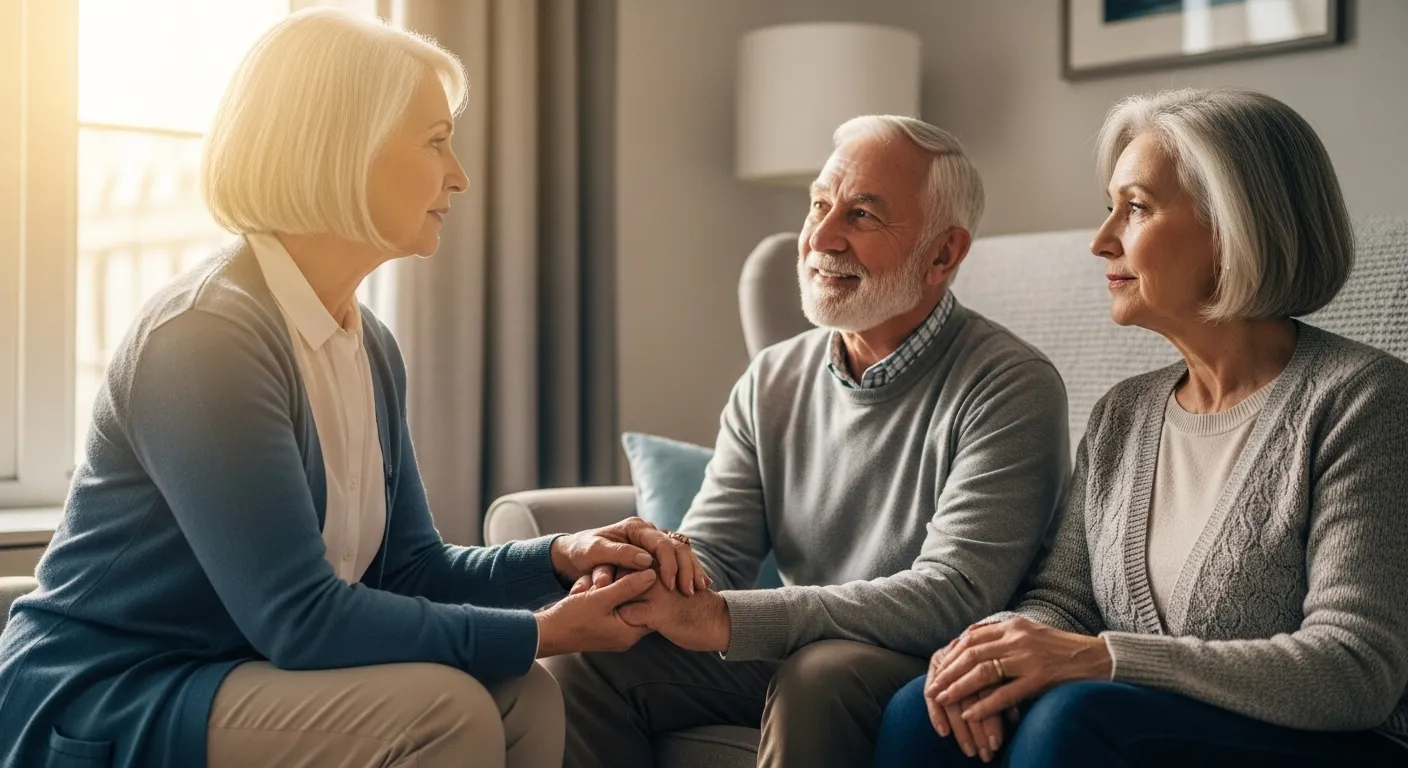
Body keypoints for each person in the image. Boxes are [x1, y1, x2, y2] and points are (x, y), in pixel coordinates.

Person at [0, 9, 706, 768]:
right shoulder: (204, 340)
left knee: (523, 692)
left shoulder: (367, 343)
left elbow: (411, 572)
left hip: (234, 673)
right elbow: (299, 621)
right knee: (447, 710)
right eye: (435, 141)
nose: (460, 175)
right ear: (342, 148)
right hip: (109, 692)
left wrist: (560, 556)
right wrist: (545, 630)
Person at [874, 88, 1408, 767]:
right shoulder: (1124, 414)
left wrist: (1104, 658)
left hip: (1335, 746)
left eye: (1135, 208)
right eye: (1110, 209)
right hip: (1133, 720)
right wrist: (1001, 653)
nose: (1102, 241)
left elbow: (1355, 669)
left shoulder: (1363, 401)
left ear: (1233, 225)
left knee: (1073, 718)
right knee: (929, 708)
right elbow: (1061, 599)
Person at [545, 115, 1071, 768]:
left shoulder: (1010, 384)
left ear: (943, 254)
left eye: (861, 215)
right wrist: (646, 577)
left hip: (925, 663)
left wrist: (730, 621)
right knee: (590, 659)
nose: (822, 237)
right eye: (820, 205)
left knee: (819, 675)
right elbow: (714, 553)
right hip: (804, 646)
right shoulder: (772, 376)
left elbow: (955, 595)